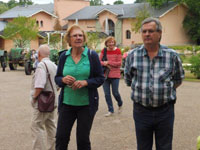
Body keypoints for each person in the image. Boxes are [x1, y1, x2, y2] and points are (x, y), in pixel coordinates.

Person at [124, 17, 184, 150]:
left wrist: (163, 91)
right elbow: (128, 80)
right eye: (144, 31)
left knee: (165, 146)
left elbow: (178, 79)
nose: (147, 34)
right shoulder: (132, 56)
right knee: (143, 146)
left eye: (150, 31)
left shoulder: (172, 56)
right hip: (141, 111)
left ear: (160, 33)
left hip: (165, 111)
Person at [55, 24, 104, 150]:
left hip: (86, 105)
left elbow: (100, 78)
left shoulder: (92, 56)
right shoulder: (63, 56)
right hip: (67, 104)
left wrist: (86, 82)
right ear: (69, 39)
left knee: (82, 140)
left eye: (80, 35)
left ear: (84, 38)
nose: (78, 38)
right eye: (75, 35)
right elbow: (57, 78)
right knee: (61, 138)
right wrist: (63, 80)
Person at [30, 44, 58, 150]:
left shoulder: (42, 65)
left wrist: (34, 97)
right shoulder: (54, 65)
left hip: (43, 103)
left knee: (36, 126)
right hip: (52, 100)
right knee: (51, 125)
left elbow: (39, 85)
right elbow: (58, 84)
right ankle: (53, 147)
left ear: (39, 54)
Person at [99, 36, 123, 117]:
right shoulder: (104, 50)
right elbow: (99, 61)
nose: (111, 44)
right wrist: (104, 63)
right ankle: (110, 110)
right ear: (107, 43)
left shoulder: (118, 51)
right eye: (109, 42)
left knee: (115, 92)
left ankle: (120, 103)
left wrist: (109, 62)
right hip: (105, 75)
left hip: (115, 75)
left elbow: (119, 63)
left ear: (114, 43)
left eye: (112, 42)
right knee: (107, 94)